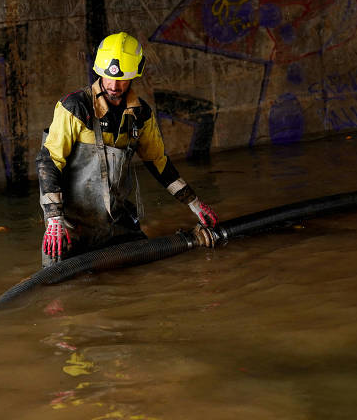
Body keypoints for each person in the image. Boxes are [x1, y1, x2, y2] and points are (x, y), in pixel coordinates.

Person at [36, 32, 219, 267]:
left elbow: (158, 162)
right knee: (57, 290)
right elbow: (49, 161)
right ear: (99, 72)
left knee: (143, 274)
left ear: (134, 75)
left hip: (117, 222)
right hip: (70, 226)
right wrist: (54, 219)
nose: (114, 86)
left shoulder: (140, 115)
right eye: (108, 78)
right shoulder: (75, 107)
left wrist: (194, 202)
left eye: (122, 79)